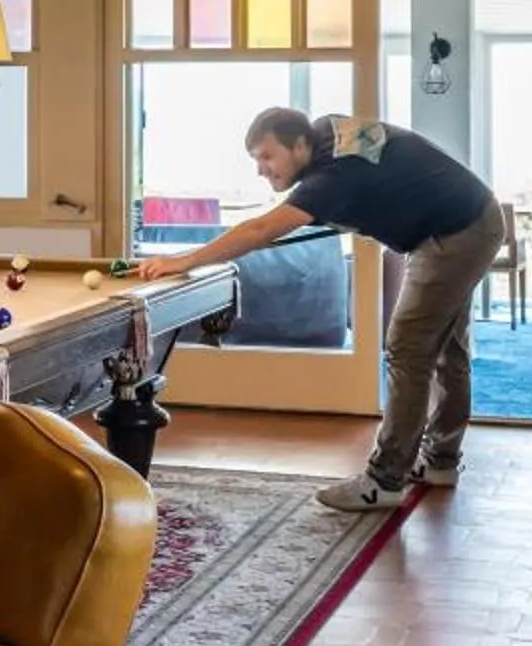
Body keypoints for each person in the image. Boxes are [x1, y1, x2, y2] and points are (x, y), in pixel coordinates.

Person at [137, 109, 506, 513]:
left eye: (267, 156)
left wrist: (184, 261)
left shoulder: (330, 178)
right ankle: (440, 462)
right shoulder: (330, 132)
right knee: (446, 346)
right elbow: (380, 171)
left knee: (408, 347)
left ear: (299, 145)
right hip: (466, 217)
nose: (262, 170)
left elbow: (260, 230)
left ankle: (385, 480)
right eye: (256, 160)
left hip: (455, 233)